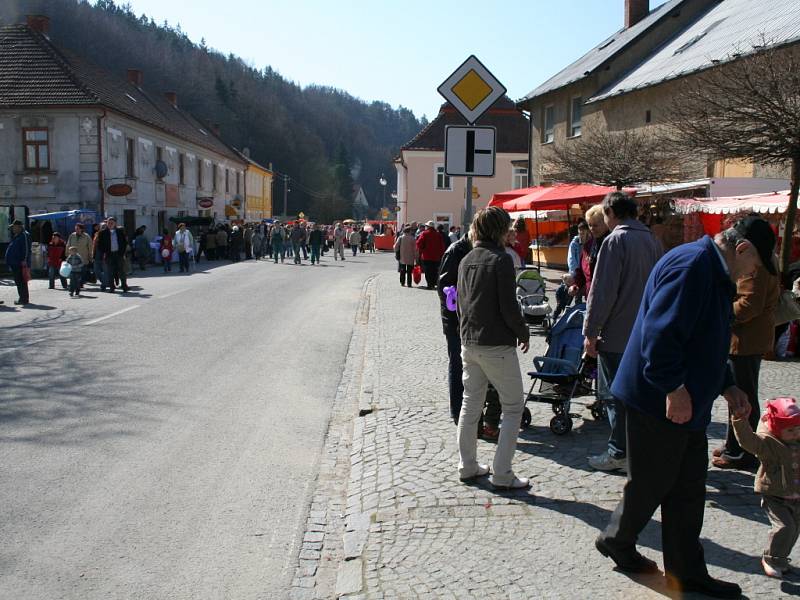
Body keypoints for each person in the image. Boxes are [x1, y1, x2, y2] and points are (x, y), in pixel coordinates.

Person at [595, 217, 775, 599]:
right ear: (742, 249)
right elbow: (661, 336)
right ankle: (618, 541)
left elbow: (707, 338)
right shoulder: (693, 265)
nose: (751, 273)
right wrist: (674, 389)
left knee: (687, 487)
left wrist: (727, 385)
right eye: (755, 265)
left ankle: (686, 571)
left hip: (683, 400)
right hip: (658, 398)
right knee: (655, 482)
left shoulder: (709, 267)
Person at [585, 192, 662, 473]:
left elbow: (602, 291)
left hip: (617, 333)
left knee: (615, 395)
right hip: (645, 331)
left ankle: (619, 452)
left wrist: (590, 331)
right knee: (640, 395)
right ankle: (641, 450)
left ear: (610, 213)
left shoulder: (615, 240)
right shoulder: (652, 239)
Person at [456, 206, 530, 491]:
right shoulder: (500, 260)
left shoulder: (467, 259)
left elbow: (463, 304)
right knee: (512, 407)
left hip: (470, 341)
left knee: (470, 404)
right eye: (508, 227)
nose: (511, 232)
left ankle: (468, 465)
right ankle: (502, 473)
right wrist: (523, 332)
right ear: (499, 229)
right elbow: (509, 307)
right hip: (496, 343)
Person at [713, 257, 780, 470]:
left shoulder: (757, 265)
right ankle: (734, 446)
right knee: (741, 394)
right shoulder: (760, 260)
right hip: (746, 339)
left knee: (742, 396)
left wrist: (719, 312)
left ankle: (743, 452)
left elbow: (749, 304)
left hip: (745, 340)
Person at [733, 397, 800, 578]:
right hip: (775, 495)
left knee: (794, 528)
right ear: (778, 429)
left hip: (796, 496)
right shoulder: (768, 444)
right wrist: (740, 422)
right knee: (784, 527)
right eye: (790, 430)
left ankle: (781, 559)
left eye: (798, 429)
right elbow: (748, 441)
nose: (796, 433)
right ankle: (770, 559)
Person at [437, 229, 472, 423]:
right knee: (457, 363)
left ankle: (470, 407)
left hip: (467, 318)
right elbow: (443, 288)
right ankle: (457, 410)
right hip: (454, 320)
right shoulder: (456, 251)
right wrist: (457, 315)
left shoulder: (470, 249)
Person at [97, 217, 129, 293]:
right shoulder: (102, 233)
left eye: (112, 223)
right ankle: (112, 287)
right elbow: (99, 245)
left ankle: (124, 286)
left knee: (121, 271)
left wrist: (122, 253)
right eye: (109, 223)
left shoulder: (120, 232)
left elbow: (124, 243)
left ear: (115, 224)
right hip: (109, 255)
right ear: (107, 223)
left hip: (119, 254)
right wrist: (104, 252)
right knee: (110, 272)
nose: (110, 224)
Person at [5, 220, 31, 305]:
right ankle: (22, 298)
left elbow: (26, 249)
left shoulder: (24, 235)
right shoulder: (18, 236)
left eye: (14, 227)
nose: (13, 229)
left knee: (21, 281)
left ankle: (23, 299)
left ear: (19, 227)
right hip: (15, 263)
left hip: (20, 263)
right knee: (19, 281)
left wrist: (24, 260)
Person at [416, 221, 446, 290]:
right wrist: (441, 254)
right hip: (436, 256)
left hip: (427, 256)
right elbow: (442, 246)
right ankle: (434, 283)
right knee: (435, 270)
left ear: (428, 227)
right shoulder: (438, 234)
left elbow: (419, 243)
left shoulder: (424, 233)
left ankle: (430, 284)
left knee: (428, 271)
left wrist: (422, 249)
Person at [67, 222, 93, 289]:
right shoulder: (72, 235)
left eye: (78, 229)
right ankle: (74, 284)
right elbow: (68, 245)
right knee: (73, 272)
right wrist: (67, 254)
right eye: (75, 228)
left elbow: (90, 247)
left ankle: (80, 284)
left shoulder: (86, 236)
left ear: (82, 229)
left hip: (83, 257)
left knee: (82, 272)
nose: (76, 230)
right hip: (73, 257)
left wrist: (90, 256)